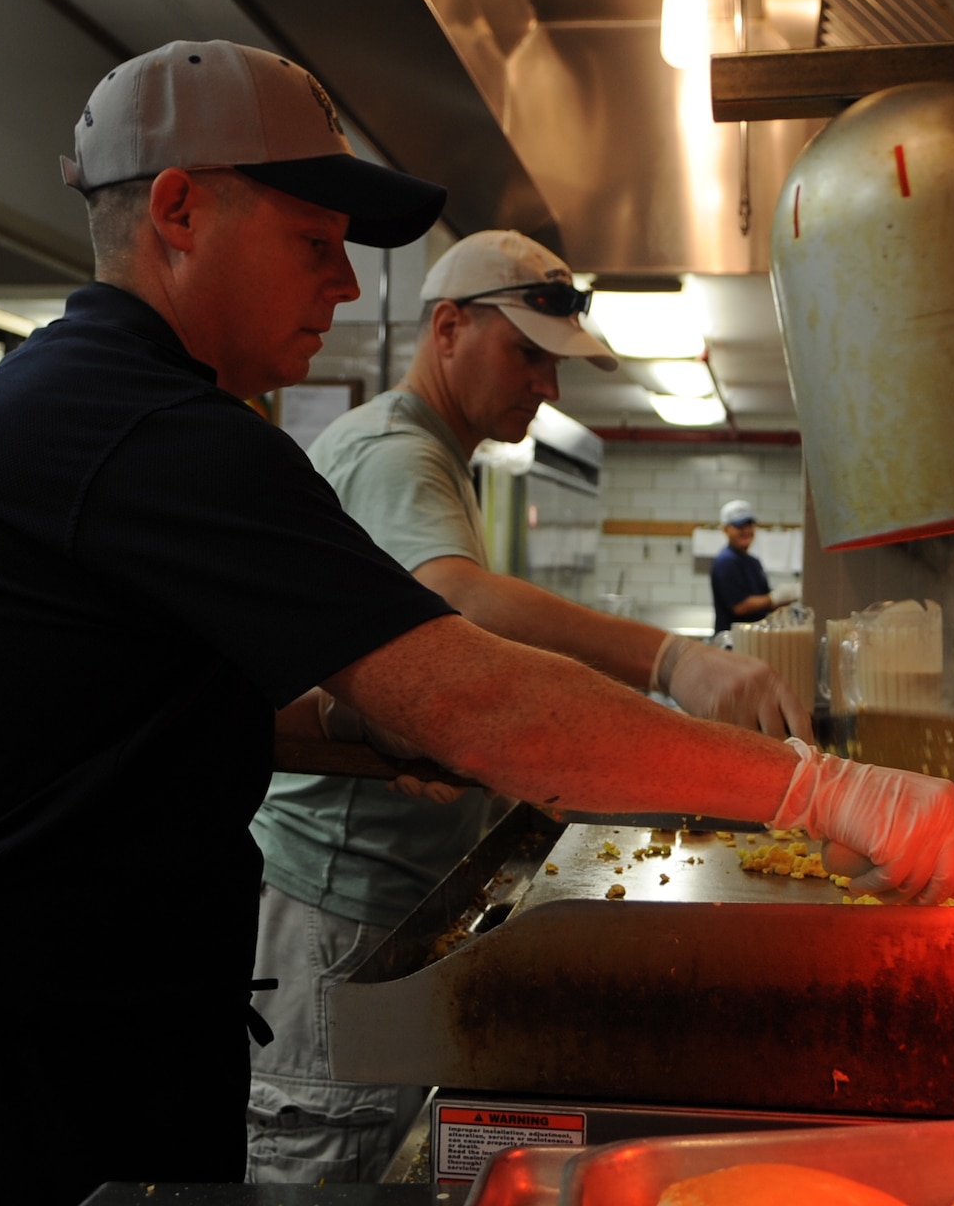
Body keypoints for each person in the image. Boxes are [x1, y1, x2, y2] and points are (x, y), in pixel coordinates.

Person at [0, 39, 954, 1206]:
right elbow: (472, 684)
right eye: (313, 239)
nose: (343, 284)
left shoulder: (109, 403)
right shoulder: (154, 430)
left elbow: (130, 710)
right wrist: (824, 793)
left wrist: (377, 729)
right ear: (176, 211)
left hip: (68, 1062)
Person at [248, 230, 812, 1182]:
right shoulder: (396, 455)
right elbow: (457, 602)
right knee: (324, 1163)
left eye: (557, 363)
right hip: (339, 909)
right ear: (447, 328)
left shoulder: (431, 454)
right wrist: (673, 662)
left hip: (379, 896)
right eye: (527, 353)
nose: (548, 386)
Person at [712, 499, 798, 634]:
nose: (746, 531)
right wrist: (775, 597)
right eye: (739, 526)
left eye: (749, 525)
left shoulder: (753, 562)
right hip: (733, 642)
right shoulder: (726, 561)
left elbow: (766, 605)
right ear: (725, 529)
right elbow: (740, 606)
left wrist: (791, 595)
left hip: (752, 639)